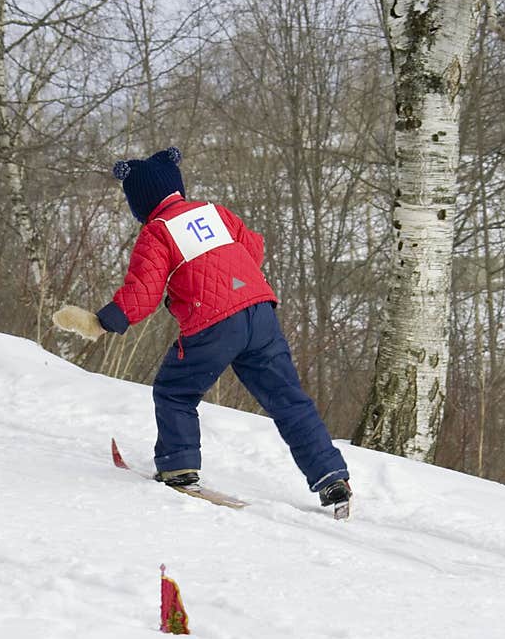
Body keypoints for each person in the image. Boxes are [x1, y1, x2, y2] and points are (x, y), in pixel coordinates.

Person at [52, 146, 351, 509]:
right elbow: (253, 248)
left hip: (214, 323)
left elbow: (142, 294)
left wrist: (105, 320)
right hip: (260, 311)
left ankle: (179, 469)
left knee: (174, 392)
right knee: (289, 400)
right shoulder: (215, 213)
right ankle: (331, 478)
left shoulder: (157, 232)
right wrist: (231, 278)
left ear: (141, 203)